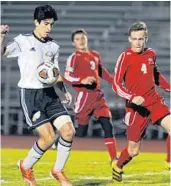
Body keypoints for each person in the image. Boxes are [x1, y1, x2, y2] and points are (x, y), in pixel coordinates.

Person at [0, 5, 75, 186]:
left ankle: (58, 171)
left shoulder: (53, 46)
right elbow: (1, 53)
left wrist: (63, 91)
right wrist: (1, 37)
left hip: (49, 94)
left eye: (51, 25)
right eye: (46, 24)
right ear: (36, 22)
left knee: (68, 131)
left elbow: (54, 73)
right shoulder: (23, 41)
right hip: (30, 95)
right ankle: (26, 166)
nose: (49, 28)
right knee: (48, 138)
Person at [112, 21, 170, 182]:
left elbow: (156, 75)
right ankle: (118, 165)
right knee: (133, 150)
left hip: (154, 101)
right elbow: (116, 84)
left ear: (146, 38)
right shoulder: (125, 57)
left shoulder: (151, 53)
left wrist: (169, 87)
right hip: (136, 108)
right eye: (135, 39)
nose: (138, 42)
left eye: (141, 39)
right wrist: (131, 97)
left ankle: (169, 162)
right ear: (130, 39)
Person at [64, 29, 118, 164]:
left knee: (108, 125)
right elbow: (67, 76)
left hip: (98, 96)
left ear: (87, 39)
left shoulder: (95, 55)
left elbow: (102, 72)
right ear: (73, 43)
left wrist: (114, 82)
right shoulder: (74, 57)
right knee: (81, 132)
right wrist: (81, 80)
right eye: (77, 39)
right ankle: (60, 137)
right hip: (84, 97)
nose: (81, 41)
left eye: (83, 38)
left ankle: (113, 159)